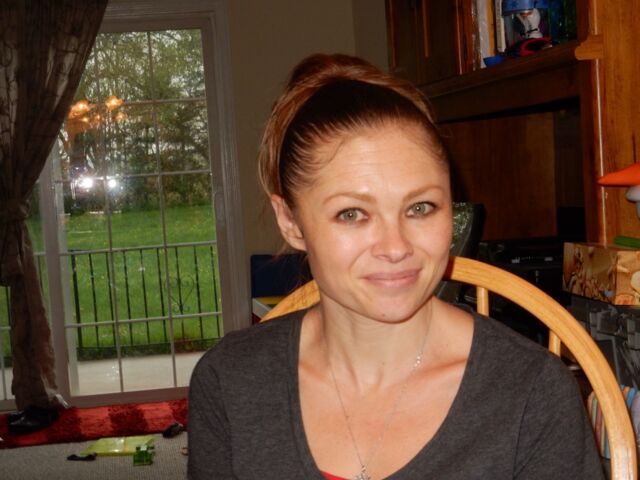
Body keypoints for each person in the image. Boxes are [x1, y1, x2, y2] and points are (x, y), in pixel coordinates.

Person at [187, 53, 604, 480]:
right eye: (352, 214)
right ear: (290, 221)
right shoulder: (229, 382)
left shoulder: (531, 393)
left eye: (420, 207)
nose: (395, 247)